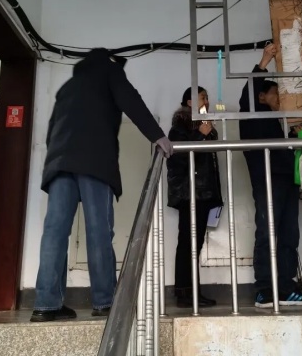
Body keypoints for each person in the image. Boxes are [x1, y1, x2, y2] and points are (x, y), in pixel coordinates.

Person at [30, 48, 173, 322]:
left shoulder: (68, 87)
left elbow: (51, 132)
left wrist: (59, 158)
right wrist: (157, 135)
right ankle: (105, 302)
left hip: (59, 164)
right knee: (98, 231)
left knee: (55, 233)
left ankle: (46, 305)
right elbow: (131, 100)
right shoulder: (110, 72)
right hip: (94, 162)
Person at [238, 44, 302, 308]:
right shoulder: (252, 115)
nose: (279, 98)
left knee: (290, 234)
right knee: (267, 232)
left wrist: (294, 136)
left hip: (288, 179)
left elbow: (284, 148)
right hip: (267, 179)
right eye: (274, 93)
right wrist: (265, 59)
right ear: (261, 96)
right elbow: (248, 93)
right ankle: (265, 289)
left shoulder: (278, 121)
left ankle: (286, 287)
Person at [167, 87, 222, 308]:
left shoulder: (203, 125)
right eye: (202, 97)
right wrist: (201, 134)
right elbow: (179, 158)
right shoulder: (179, 128)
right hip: (189, 193)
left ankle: (192, 292)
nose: (206, 101)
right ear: (189, 102)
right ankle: (185, 294)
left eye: (207, 97)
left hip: (202, 193)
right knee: (188, 244)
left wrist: (206, 132)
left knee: (194, 243)